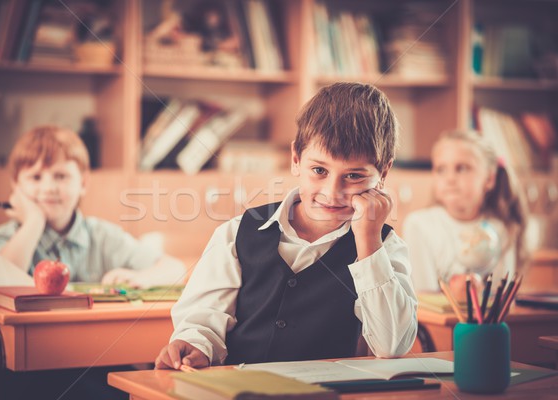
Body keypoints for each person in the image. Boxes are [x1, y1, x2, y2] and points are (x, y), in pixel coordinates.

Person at [155, 82, 418, 370]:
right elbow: (202, 320)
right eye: (319, 170)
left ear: (383, 174)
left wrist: (368, 241)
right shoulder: (235, 234)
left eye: (354, 176)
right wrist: (195, 346)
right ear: (296, 159)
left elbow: (391, 345)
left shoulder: (385, 248)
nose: (332, 192)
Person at [0, 125, 186, 287]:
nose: (48, 188)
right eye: (35, 177)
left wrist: (140, 279)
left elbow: (175, 268)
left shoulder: (103, 236)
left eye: (61, 176)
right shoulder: (4, 238)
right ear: (16, 185)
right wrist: (33, 222)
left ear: (83, 183)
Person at [403, 130, 528, 294]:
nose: (450, 178)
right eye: (441, 169)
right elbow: (423, 298)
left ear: (489, 179)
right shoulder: (419, 226)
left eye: (462, 168)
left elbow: (500, 299)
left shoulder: (501, 230)